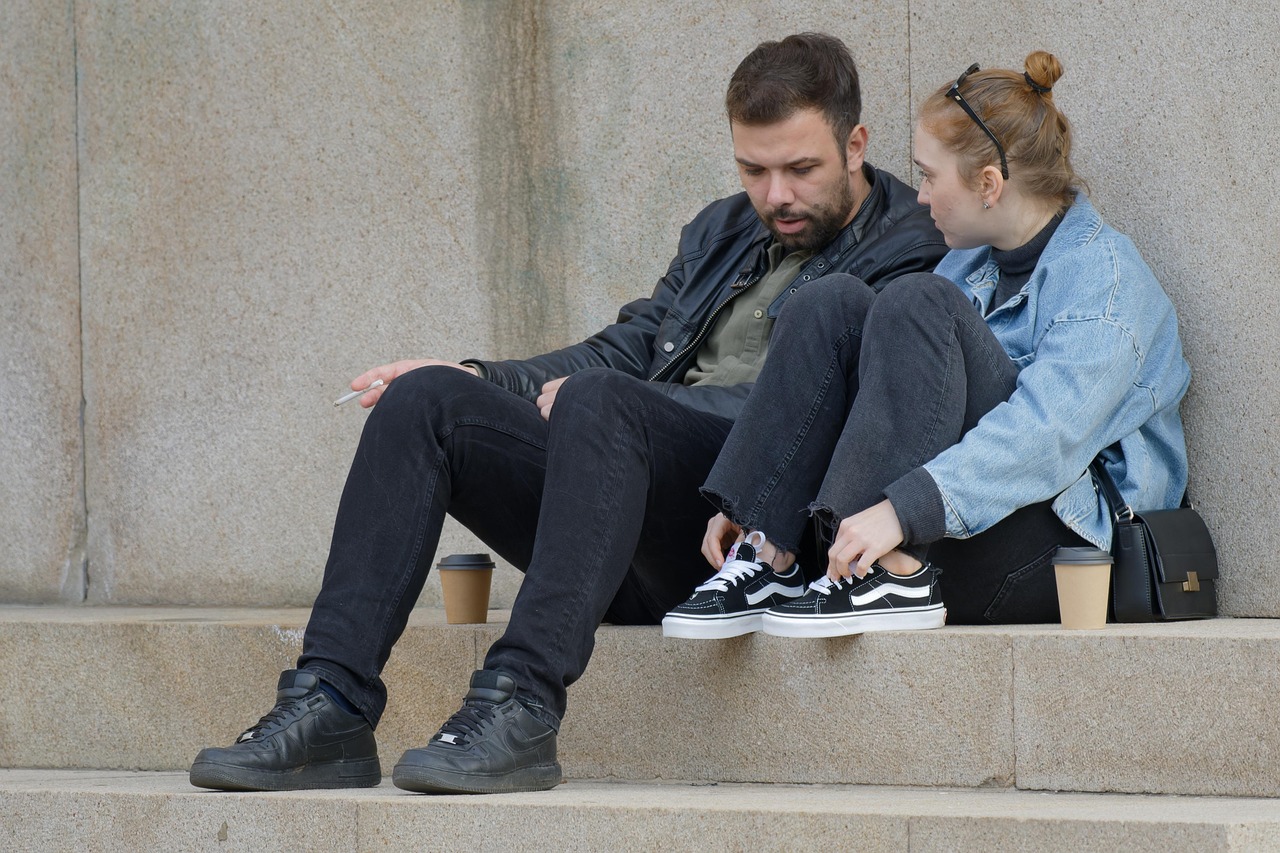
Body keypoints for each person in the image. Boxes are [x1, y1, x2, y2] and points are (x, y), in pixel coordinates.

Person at [188, 32, 946, 795]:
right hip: (620, 514)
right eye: (754, 169)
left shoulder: (914, 246)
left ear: (855, 145)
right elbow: (627, 349)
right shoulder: (722, 230)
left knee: (603, 405)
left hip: (748, 538)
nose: (775, 195)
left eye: (800, 169)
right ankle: (330, 704)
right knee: (424, 400)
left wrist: (629, 405)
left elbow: (830, 408)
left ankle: (519, 702)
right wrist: (481, 375)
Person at [662, 51, 1190, 640]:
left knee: (916, 301)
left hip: (1058, 560)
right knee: (829, 301)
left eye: (930, 175)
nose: (917, 196)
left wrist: (899, 513)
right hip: (947, 540)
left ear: (989, 184)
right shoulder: (968, 263)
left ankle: (883, 572)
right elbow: (894, 400)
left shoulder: (1106, 284)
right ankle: (772, 558)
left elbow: (1046, 436)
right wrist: (762, 501)